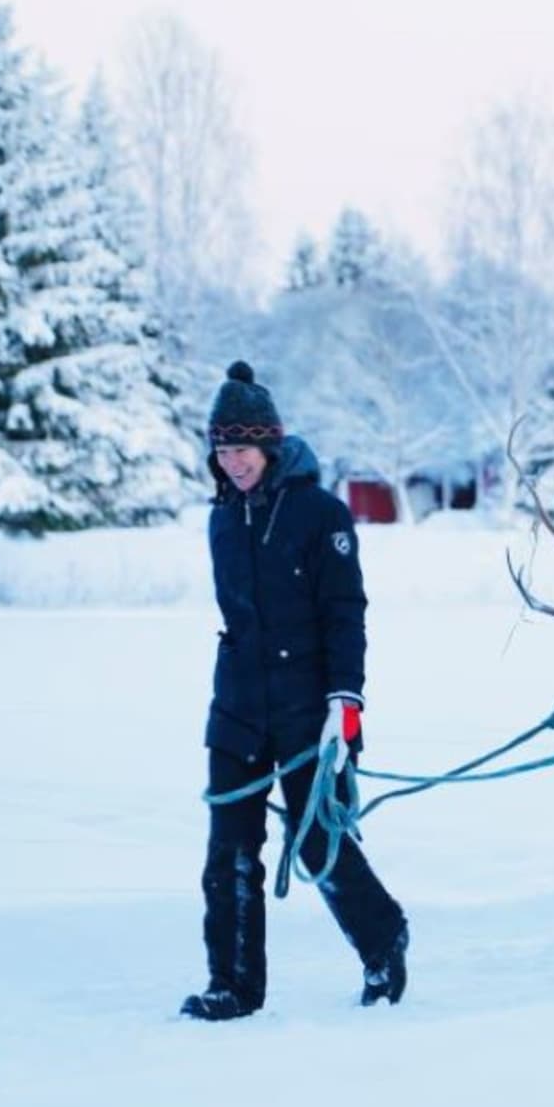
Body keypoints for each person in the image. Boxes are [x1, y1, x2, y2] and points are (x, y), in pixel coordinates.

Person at [180, 361, 409, 1022]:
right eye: (222, 452)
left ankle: (382, 940)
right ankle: (233, 983)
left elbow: (346, 611)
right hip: (237, 708)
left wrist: (347, 699)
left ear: (270, 446)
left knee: (319, 841)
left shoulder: (320, 513)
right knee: (229, 846)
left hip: (312, 706)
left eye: (242, 450)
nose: (232, 463)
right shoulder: (221, 520)